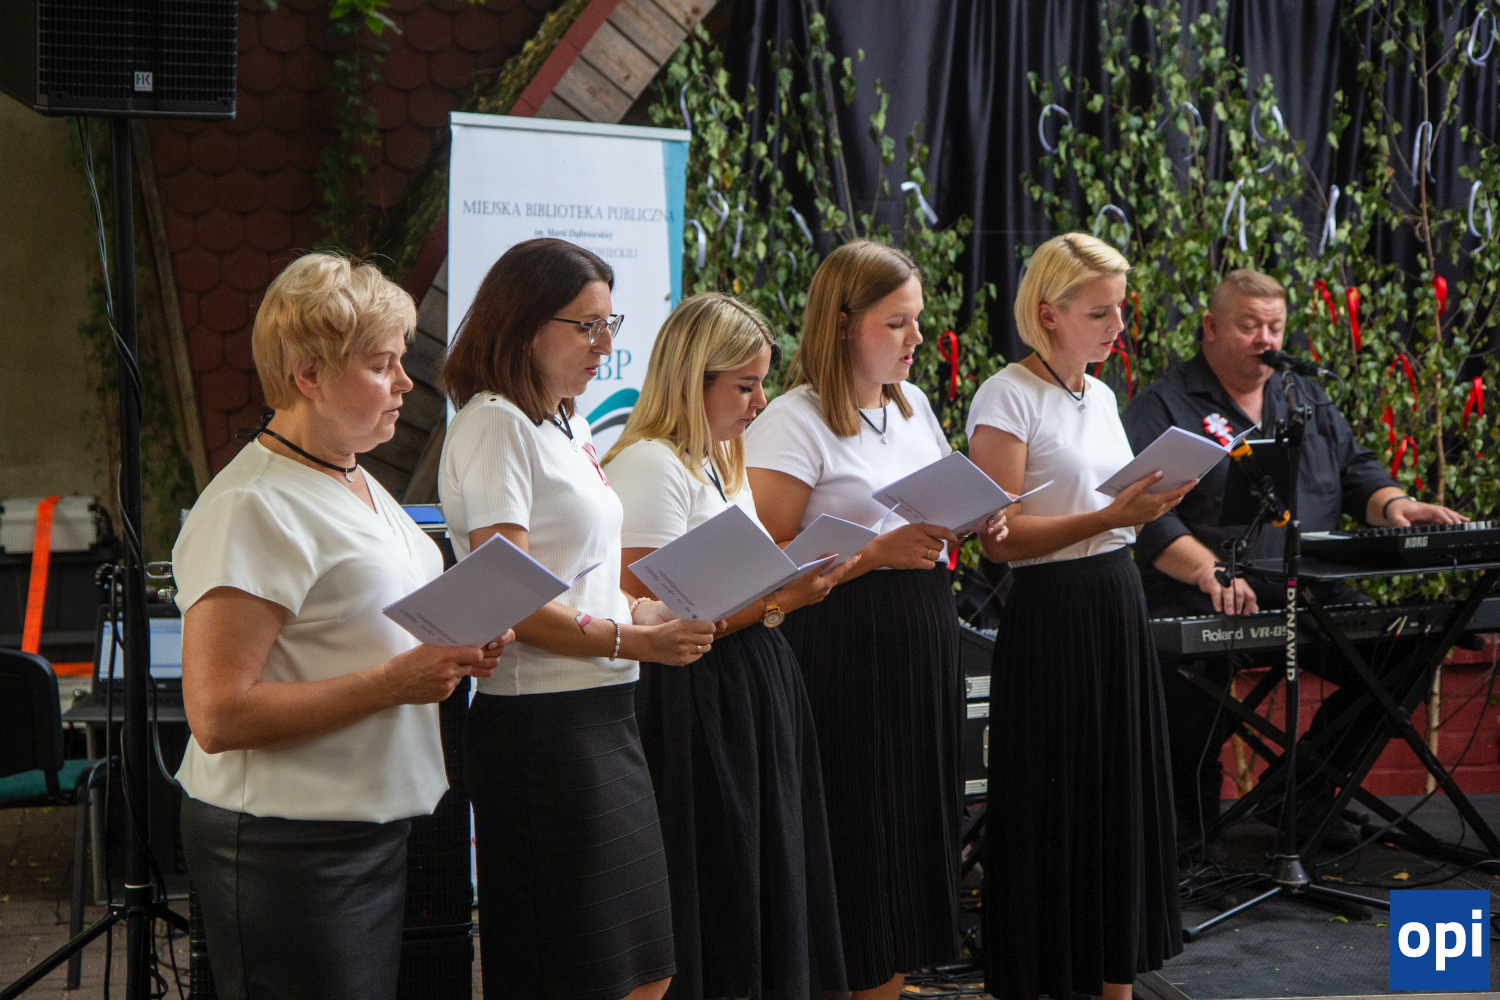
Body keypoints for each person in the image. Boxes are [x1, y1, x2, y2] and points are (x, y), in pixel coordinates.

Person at [172, 253, 513, 1000]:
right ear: (309, 375)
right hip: (289, 843)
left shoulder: (353, 475)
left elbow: (360, 629)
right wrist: (395, 680)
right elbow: (218, 714)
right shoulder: (251, 506)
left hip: (366, 827)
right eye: (383, 365)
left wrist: (457, 644)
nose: (407, 383)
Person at [438, 238, 719, 1000]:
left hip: (603, 712)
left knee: (645, 968)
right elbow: (512, 597)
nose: (605, 345)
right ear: (524, 325)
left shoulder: (569, 422)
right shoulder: (495, 424)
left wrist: (643, 606)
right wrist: (635, 639)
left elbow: (580, 576)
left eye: (609, 325)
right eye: (586, 326)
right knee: (582, 972)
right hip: (541, 727)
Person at [744, 240, 1008, 1000]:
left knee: (909, 835)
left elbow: (928, 507)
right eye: (896, 323)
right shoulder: (791, 421)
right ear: (841, 323)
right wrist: (875, 554)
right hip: (839, 643)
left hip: (920, 633)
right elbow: (763, 563)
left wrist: (971, 517)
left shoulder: (911, 404)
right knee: (855, 834)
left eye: (916, 320)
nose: (917, 338)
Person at [1121, 267, 1467, 834]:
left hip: (1307, 586)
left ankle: (1301, 793)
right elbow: (1146, 515)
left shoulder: (1301, 395)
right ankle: (1187, 833)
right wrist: (1208, 571)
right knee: (1192, 682)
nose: (1266, 340)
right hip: (1204, 592)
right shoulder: (1164, 408)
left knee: (1401, 654)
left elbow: (1355, 469)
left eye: (1275, 327)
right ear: (1210, 327)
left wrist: (1396, 505)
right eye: (1249, 326)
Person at [602, 291, 855, 1000]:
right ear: (693, 379)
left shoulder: (714, 457)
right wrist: (783, 598)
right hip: (695, 697)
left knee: (760, 873)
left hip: (748, 683)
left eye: (761, 383)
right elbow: (649, 612)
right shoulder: (649, 464)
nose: (759, 402)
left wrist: (783, 585)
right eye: (744, 386)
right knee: (723, 877)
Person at [967, 233, 1186, 1000]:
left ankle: (1113, 978)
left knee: (1114, 796)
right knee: (1058, 803)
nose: (1117, 327)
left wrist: (1147, 504)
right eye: (1100, 313)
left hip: (1116, 598)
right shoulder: (1006, 395)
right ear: (1048, 313)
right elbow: (1000, 540)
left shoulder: (1100, 395)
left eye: (1120, 309)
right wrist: (1111, 516)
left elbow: (1111, 511)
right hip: (1054, 611)